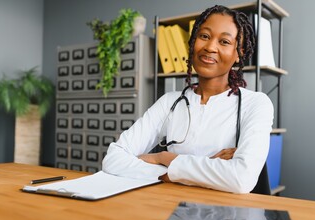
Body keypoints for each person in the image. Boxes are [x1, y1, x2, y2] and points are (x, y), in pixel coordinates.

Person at [102, 5, 274, 194]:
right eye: (205, 36)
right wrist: (206, 167)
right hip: (172, 210)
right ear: (193, 42)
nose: (210, 47)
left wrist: (164, 159)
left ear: (238, 53)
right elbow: (112, 159)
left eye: (224, 41)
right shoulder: (169, 102)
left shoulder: (256, 104)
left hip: (227, 217)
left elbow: (241, 178)